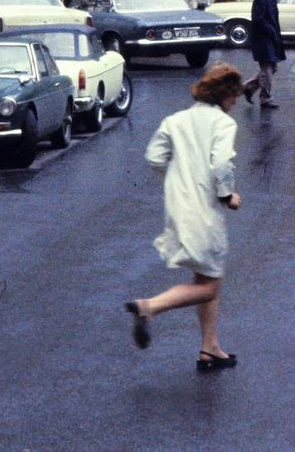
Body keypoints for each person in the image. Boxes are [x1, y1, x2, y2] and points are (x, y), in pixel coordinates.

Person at [126, 64, 244, 370]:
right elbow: (221, 165)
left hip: (178, 207)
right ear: (225, 94)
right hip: (205, 209)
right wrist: (227, 195)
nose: (235, 102)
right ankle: (149, 306)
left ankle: (210, 347)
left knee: (206, 275)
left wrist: (181, 173)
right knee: (211, 285)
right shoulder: (223, 123)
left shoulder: (175, 120)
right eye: (234, 96)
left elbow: (154, 157)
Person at [242, 0, 286, 109]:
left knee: (272, 67)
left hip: (269, 38)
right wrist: (271, 31)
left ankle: (248, 87)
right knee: (268, 68)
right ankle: (265, 99)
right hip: (262, 39)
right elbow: (257, 19)